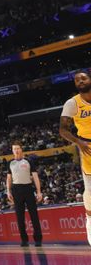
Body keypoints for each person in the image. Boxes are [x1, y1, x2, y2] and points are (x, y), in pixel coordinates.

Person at [59, 69, 91, 245]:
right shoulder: (72, 103)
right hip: (87, 148)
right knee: (90, 196)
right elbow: (62, 129)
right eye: (77, 80)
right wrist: (79, 142)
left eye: (83, 78)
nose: (80, 81)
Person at [6, 143, 42, 247]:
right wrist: (8, 191)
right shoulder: (10, 163)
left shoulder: (28, 161)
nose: (16, 150)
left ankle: (38, 239)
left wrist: (39, 191)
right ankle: (24, 240)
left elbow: (35, 177)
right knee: (19, 217)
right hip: (16, 190)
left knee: (34, 215)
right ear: (12, 151)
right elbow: (8, 179)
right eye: (14, 149)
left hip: (28, 188)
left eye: (18, 148)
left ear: (21, 149)